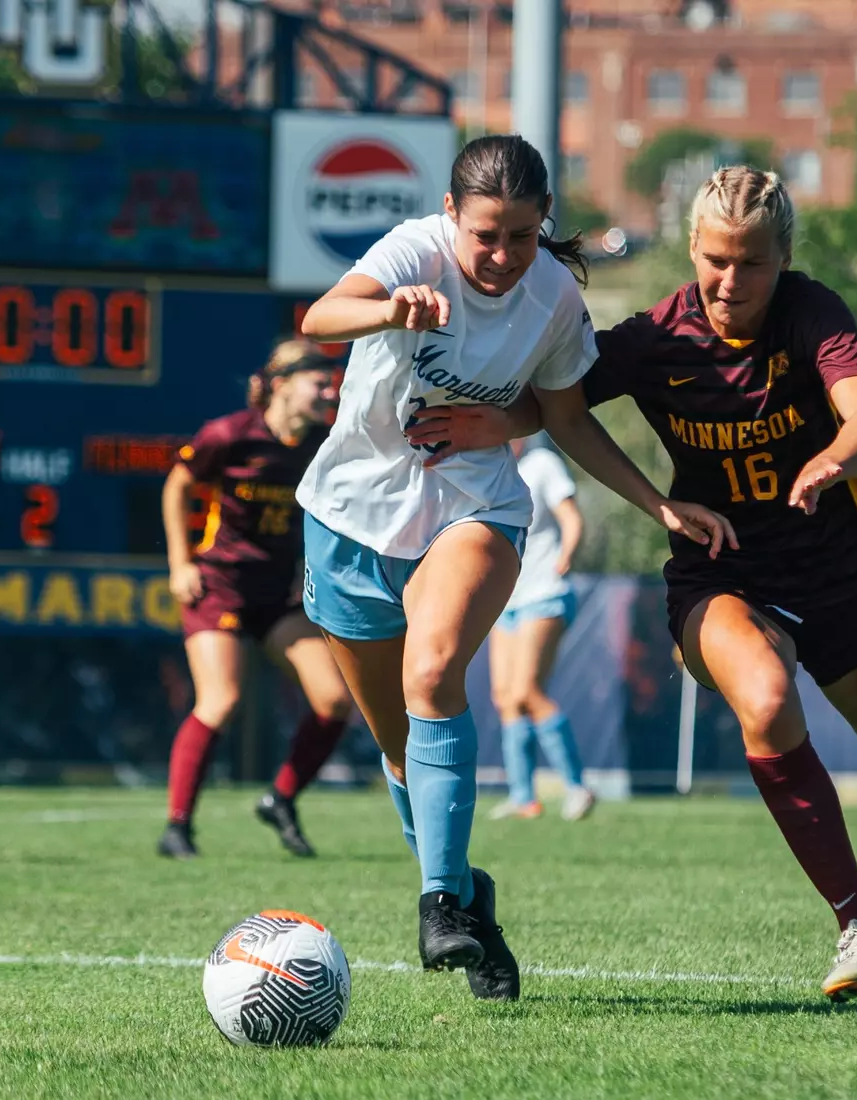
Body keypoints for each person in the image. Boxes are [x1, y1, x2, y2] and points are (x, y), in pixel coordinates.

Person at [408, 167, 857, 1008]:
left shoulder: (813, 313)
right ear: (692, 249)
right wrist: (500, 421)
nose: (731, 281)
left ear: (784, 258)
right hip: (718, 574)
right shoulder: (657, 337)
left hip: (839, 575)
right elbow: (558, 404)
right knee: (765, 698)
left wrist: (835, 458)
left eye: (753, 263)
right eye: (716, 260)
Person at [296, 134, 733, 1003]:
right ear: (452, 214)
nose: (502, 257)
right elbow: (318, 318)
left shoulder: (553, 296)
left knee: (434, 671)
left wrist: (658, 505)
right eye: (486, 235)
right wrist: (390, 309)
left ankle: (438, 903)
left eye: (523, 237)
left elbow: (567, 418)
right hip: (346, 519)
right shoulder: (414, 251)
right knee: (396, 748)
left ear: (544, 229)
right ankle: (468, 897)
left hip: (471, 506)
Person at [158, 340, 355, 860]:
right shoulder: (230, 435)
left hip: (276, 591)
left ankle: (281, 797)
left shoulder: (323, 442)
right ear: (281, 383)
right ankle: (178, 826)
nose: (328, 391)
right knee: (221, 700)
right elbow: (177, 485)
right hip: (218, 584)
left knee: (335, 701)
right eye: (319, 381)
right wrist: (180, 563)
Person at [487, 436, 595, 823]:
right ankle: (523, 798)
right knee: (506, 697)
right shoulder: (490, 465)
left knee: (528, 692)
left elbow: (571, 518)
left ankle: (577, 787)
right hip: (506, 599)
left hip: (544, 592)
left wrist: (567, 555)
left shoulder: (543, 463)